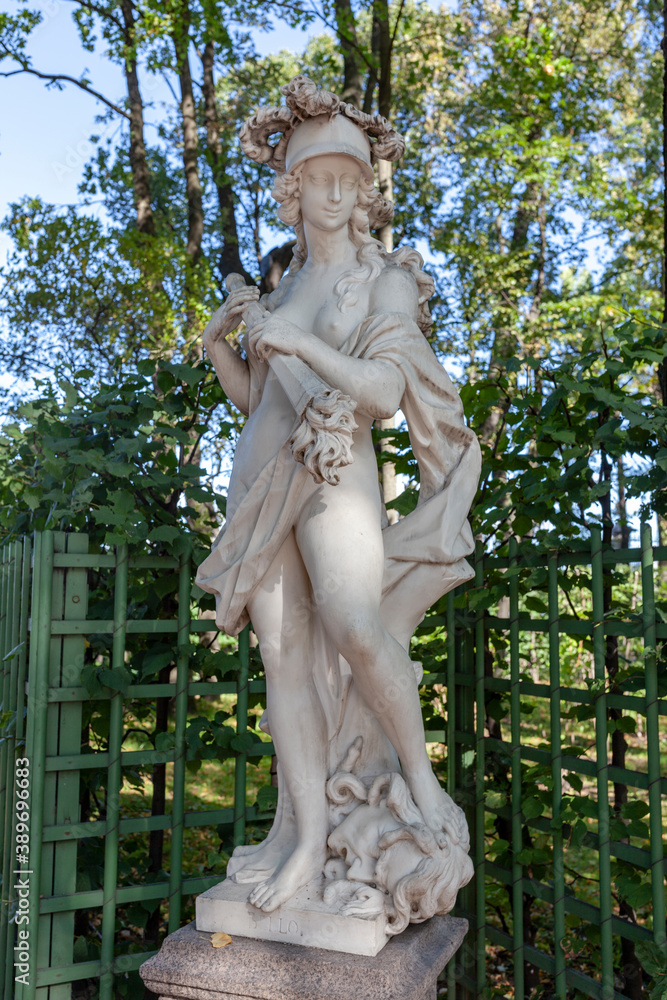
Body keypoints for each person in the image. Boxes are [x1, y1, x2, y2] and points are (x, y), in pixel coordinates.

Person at [196, 76, 481, 917]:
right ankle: (305, 838)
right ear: (291, 190)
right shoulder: (282, 287)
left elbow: (384, 393)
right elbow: (259, 399)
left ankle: (421, 787)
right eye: (315, 178)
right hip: (260, 472)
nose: (330, 193)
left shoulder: (381, 281)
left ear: (364, 194)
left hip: (332, 473)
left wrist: (297, 343)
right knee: (281, 656)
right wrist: (222, 347)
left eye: (345, 181)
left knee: (355, 626)